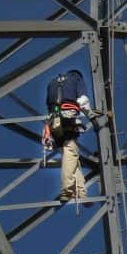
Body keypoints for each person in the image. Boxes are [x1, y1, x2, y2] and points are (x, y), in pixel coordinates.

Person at [43, 69, 93, 201]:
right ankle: (66, 190)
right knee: (71, 150)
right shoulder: (76, 79)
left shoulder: (52, 83)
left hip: (53, 121)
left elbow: (48, 103)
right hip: (68, 116)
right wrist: (91, 116)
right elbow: (83, 101)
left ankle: (81, 192)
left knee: (69, 155)